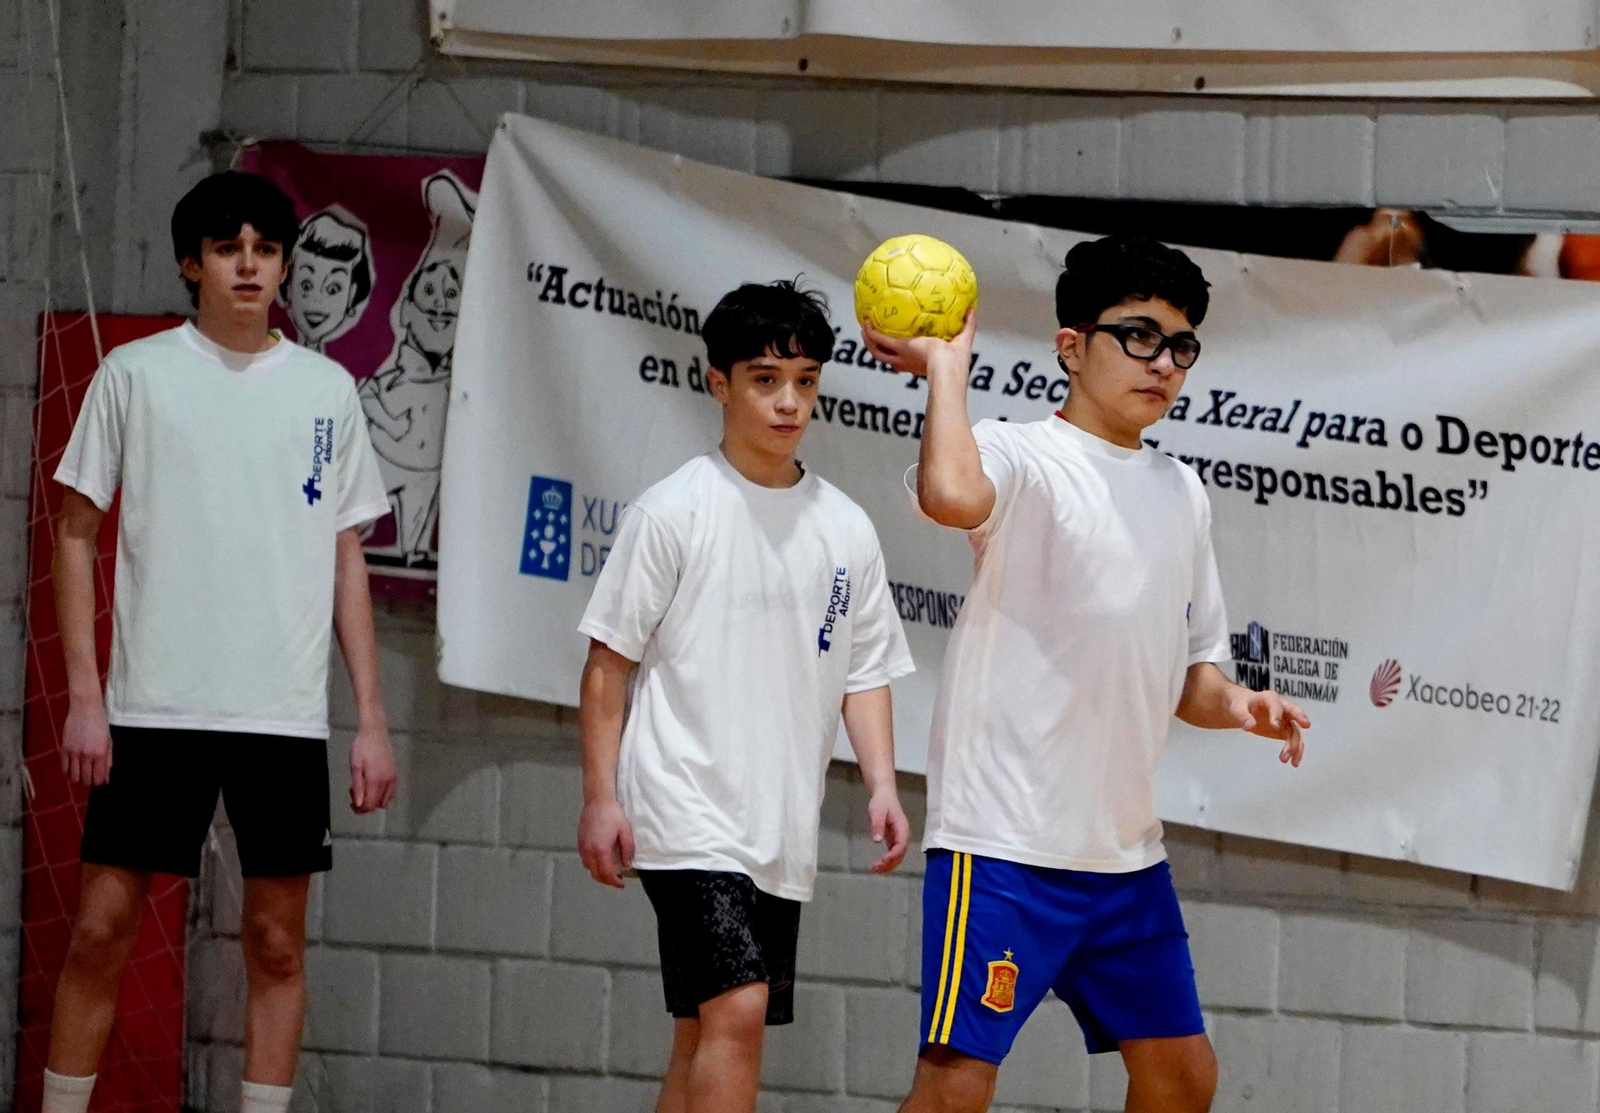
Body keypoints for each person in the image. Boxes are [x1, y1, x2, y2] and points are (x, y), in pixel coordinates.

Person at [861, 235, 1310, 1113]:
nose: (1164, 362)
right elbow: (952, 496)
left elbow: (1194, 679)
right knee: (954, 1089)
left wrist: (1244, 705)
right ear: (1071, 346)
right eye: (1139, 336)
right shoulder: (1020, 455)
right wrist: (946, 370)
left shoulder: (1183, 491)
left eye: (1181, 345)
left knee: (1183, 1076)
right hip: (1004, 847)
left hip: (1124, 856)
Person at [43, 171, 398, 1113]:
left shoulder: (328, 391)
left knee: (277, 944)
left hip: (280, 717)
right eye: (230, 246)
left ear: (282, 267)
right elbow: (73, 529)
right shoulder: (135, 375)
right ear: (192, 262)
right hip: (150, 706)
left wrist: (369, 718)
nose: (251, 264)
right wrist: (86, 697)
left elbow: (345, 557)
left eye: (267, 248)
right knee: (101, 929)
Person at [577, 280, 917, 1113]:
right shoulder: (673, 512)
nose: (788, 400)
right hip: (683, 807)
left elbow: (864, 670)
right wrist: (599, 797)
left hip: (779, 822)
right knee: (740, 1007)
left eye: (805, 379)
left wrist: (881, 781)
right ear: (718, 382)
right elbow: (607, 666)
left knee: (702, 1029)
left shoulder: (846, 527)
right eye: (765, 378)